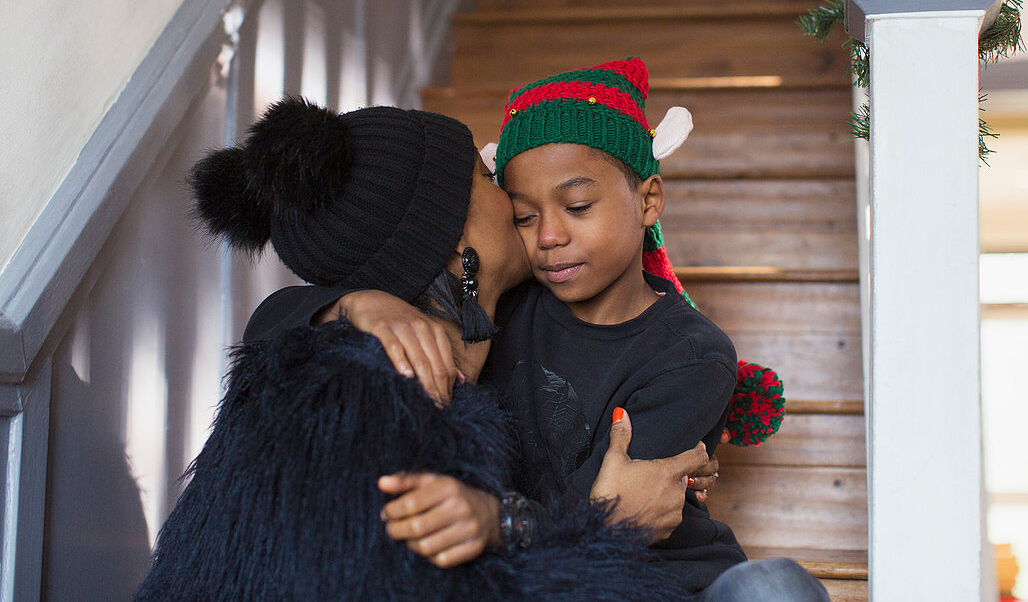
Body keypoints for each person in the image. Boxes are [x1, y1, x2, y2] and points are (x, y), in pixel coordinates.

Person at [246, 60, 828, 601]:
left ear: (648, 200)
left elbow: (620, 514)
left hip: (673, 585)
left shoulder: (689, 353)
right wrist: (353, 302)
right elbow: (268, 328)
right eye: (523, 213)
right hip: (560, 570)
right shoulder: (499, 312)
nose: (548, 235)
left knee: (775, 587)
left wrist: (499, 520)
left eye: (577, 207)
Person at [135, 98, 711, 600]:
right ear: (460, 249)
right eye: (484, 182)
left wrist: (350, 301)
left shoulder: (346, 355)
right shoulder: (391, 410)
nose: (505, 187)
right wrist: (607, 525)